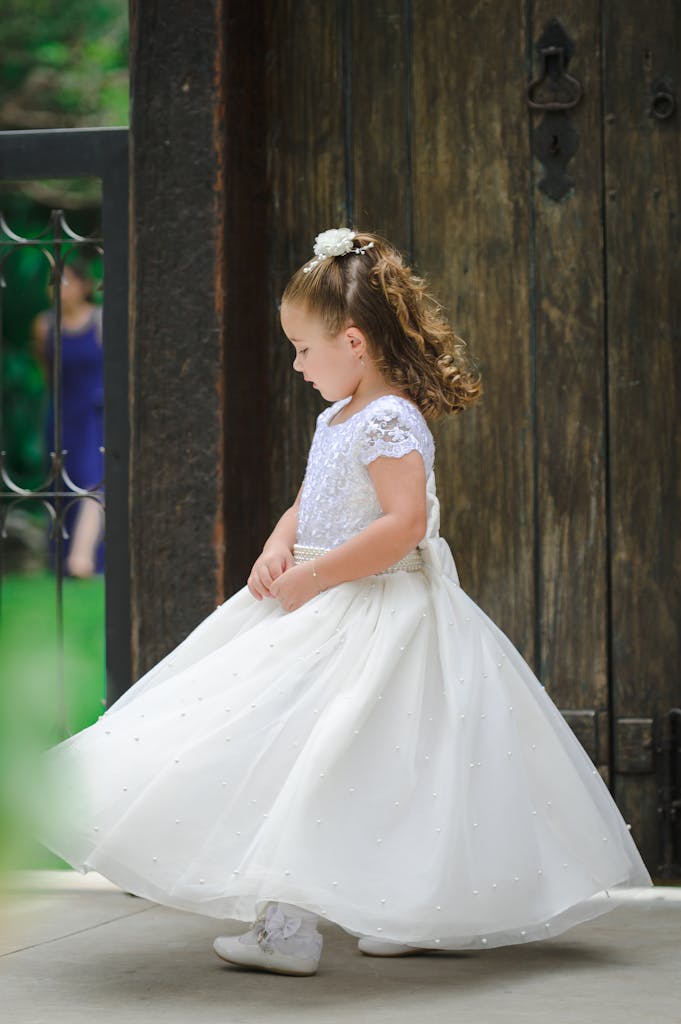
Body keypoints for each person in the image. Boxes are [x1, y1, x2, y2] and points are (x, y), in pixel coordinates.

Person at [32, 228, 652, 977]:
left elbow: (402, 525)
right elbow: (310, 500)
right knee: (297, 752)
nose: (294, 365)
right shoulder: (337, 417)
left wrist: (315, 578)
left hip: (377, 611)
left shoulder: (392, 419)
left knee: (360, 761)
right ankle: (304, 920)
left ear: (352, 341)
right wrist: (276, 544)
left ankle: (329, 921)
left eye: (301, 348)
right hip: (314, 595)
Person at [31, 259, 105, 578]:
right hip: (62, 414)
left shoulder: (100, 321)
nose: (58, 290)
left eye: (66, 281)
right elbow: (45, 370)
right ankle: (61, 559)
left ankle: (82, 558)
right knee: (62, 481)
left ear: (83, 285)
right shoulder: (44, 325)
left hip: (95, 414)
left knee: (93, 481)